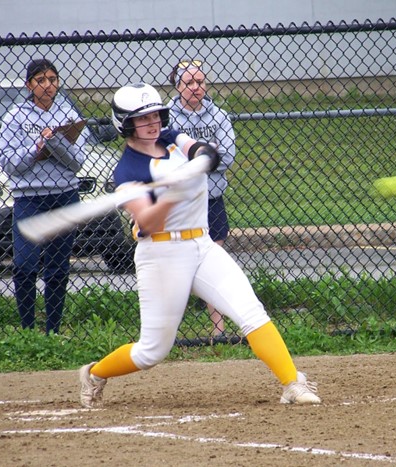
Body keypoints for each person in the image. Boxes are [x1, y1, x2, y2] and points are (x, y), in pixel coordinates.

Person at [78, 82, 321, 408]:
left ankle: (292, 383)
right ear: (125, 124)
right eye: (142, 118)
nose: (152, 122)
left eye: (156, 115)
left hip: (202, 245)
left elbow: (204, 151)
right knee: (153, 350)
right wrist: (170, 196)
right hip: (163, 255)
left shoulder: (170, 137)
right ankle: (94, 373)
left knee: (251, 313)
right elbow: (148, 223)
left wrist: (201, 156)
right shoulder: (128, 172)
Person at [0, 58, 87, 335]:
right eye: (40, 80)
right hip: (30, 200)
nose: (48, 85)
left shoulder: (68, 113)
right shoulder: (15, 116)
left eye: (52, 79)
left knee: (57, 270)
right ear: (29, 85)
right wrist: (37, 148)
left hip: (64, 197)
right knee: (25, 266)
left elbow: (77, 163)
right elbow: (10, 163)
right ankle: (27, 331)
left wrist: (55, 142)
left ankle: (53, 332)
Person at [167, 59, 236, 339]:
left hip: (212, 199)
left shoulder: (218, 114)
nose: (196, 88)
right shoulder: (168, 117)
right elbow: (169, 159)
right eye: (189, 83)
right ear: (178, 86)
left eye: (200, 82)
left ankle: (218, 330)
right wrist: (209, 153)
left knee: (213, 260)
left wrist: (191, 157)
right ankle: (168, 329)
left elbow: (228, 156)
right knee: (180, 263)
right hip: (182, 202)